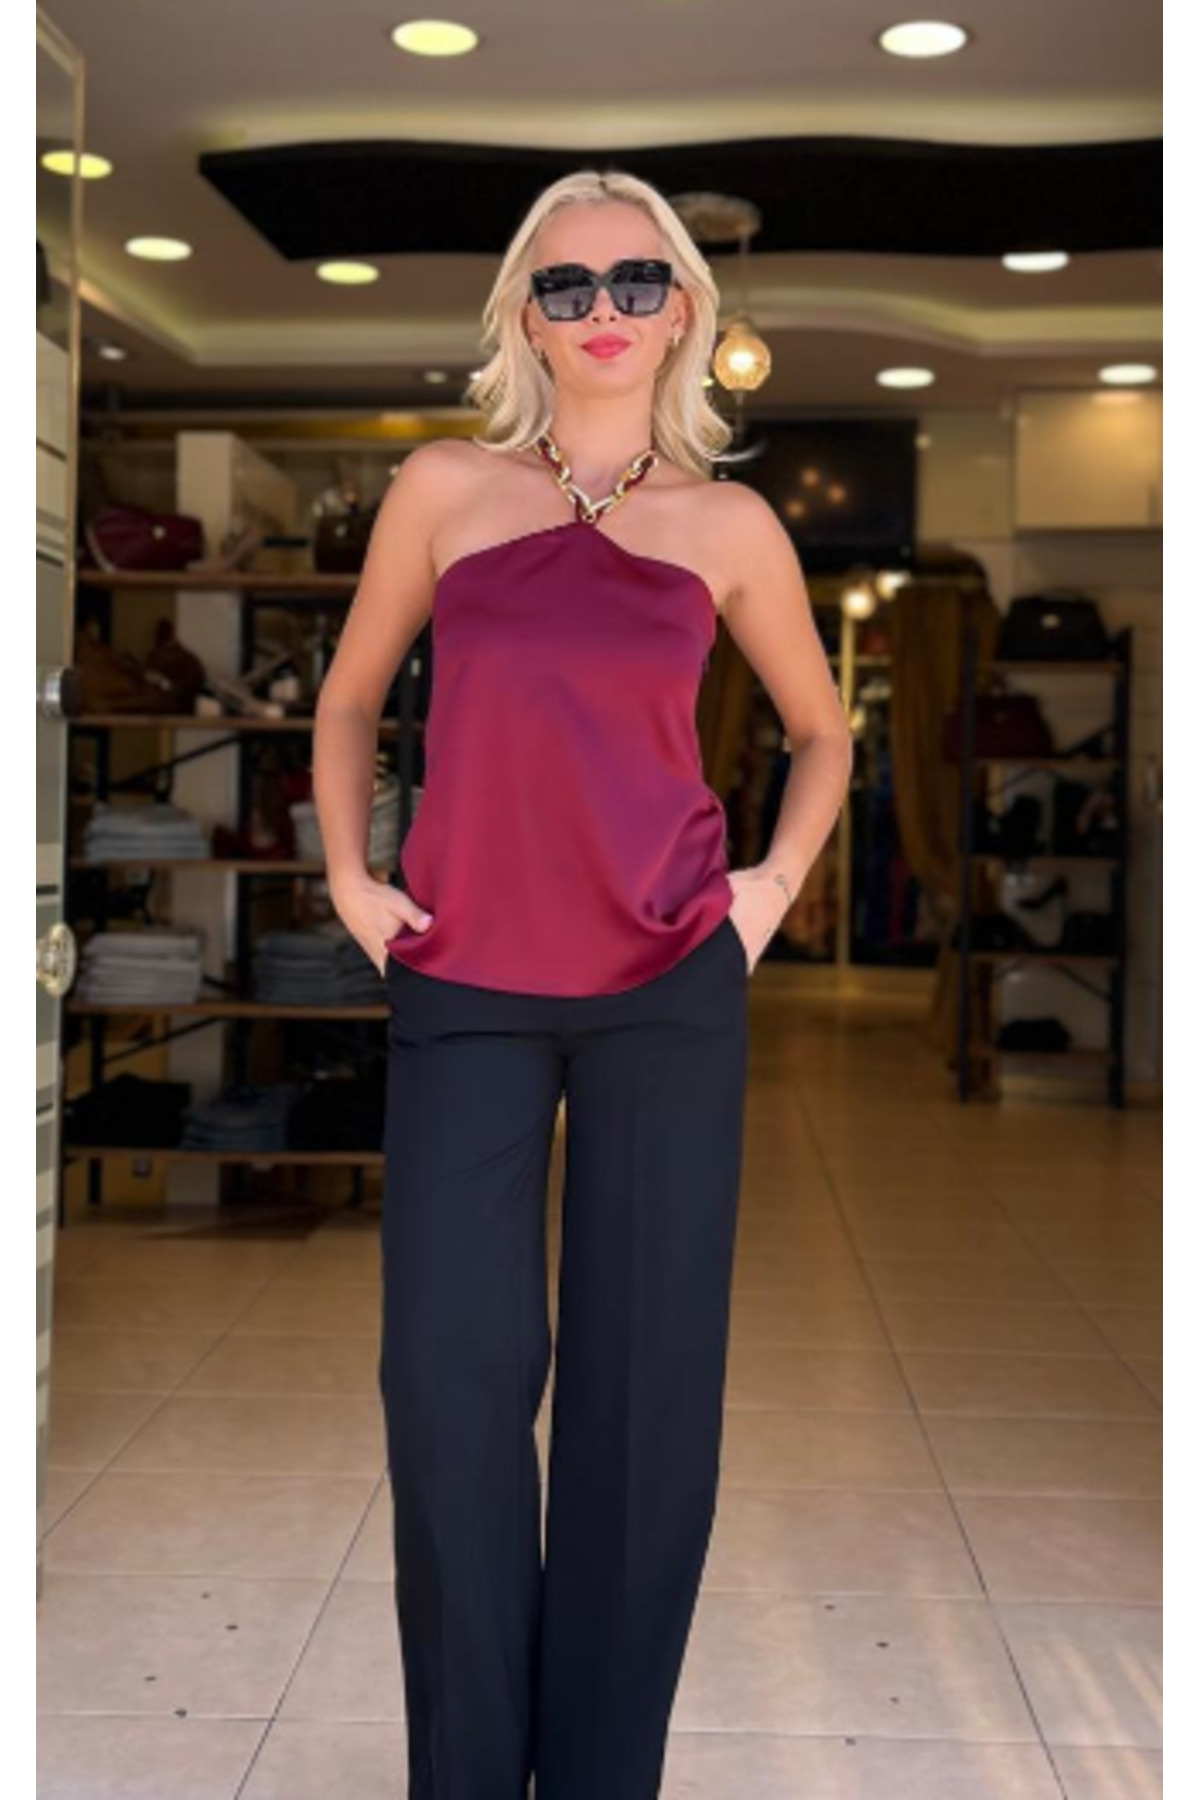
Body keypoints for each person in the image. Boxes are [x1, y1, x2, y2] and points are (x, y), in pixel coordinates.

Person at [314, 167, 852, 1800]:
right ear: (523, 317)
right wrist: (349, 878)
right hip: (465, 975)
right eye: (566, 286)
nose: (602, 310)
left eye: (635, 280)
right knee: (447, 1386)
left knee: (644, 1398)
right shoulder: (445, 490)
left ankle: (603, 1776)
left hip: (667, 980)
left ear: (684, 309)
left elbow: (822, 732)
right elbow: (348, 699)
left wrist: (768, 891)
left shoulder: (730, 525)